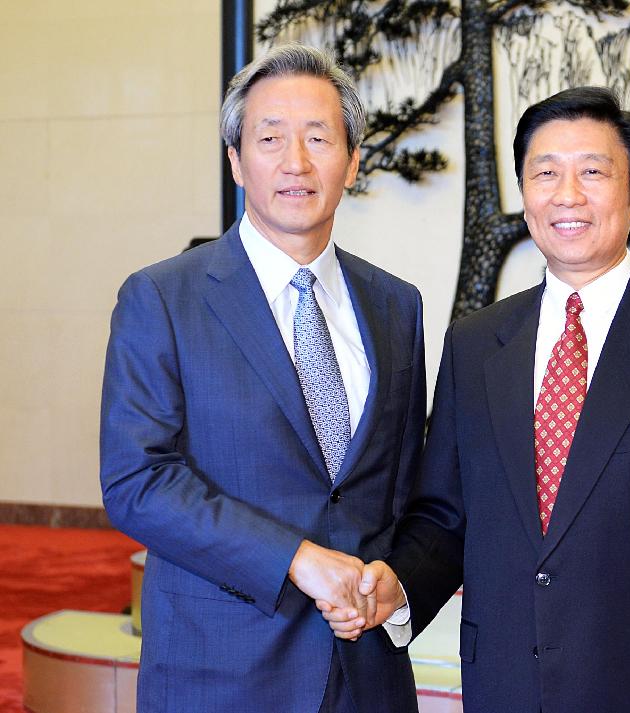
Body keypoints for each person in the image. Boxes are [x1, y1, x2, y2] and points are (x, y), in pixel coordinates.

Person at [325, 87, 630, 713]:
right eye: (545, 173)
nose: (568, 195)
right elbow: (448, 517)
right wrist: (397, 586)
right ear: (524, 192)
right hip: (504, 689)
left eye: (593, 172)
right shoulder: (476, 342)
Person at [100, 43, 424, 713]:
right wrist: (296, 558)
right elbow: (138, 480)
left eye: (318, 138)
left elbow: (401, 486)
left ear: (354, 161)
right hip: (221, 673)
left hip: (368, 676)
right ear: (236, 161)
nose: (296, 162)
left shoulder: (397, 305)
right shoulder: (163, 297)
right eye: (270, 138)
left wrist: (398, 581)